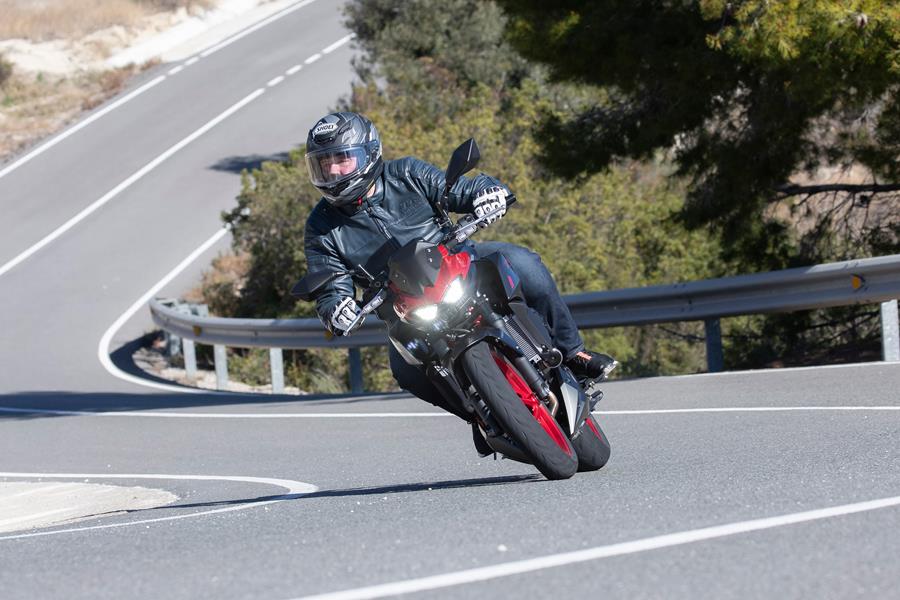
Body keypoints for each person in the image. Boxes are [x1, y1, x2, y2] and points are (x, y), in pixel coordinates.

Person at [302, 111, 616, 439]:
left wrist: (487, 192)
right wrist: (336, 308)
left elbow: (456, 189)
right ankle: (480, 415)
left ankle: (573, 352)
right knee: (405, 371)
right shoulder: (320, 227)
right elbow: (328, 281)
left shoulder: (405, 172)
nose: (334, 170)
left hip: (459, 263)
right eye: (324, 163)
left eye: (342, 158)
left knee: (523, 263)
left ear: (369, 153)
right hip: (404, 307)